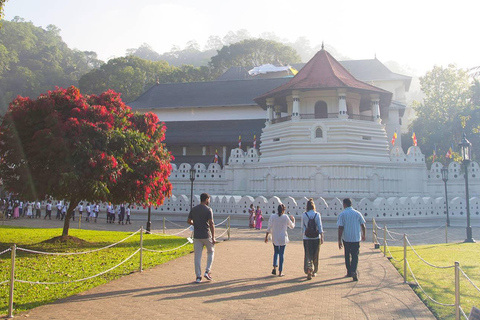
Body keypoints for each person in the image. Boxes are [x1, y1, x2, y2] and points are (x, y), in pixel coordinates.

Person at [187, 193, 215, 283]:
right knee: (211, 252)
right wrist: (213, 237)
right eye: (209, 199)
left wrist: (195, 224)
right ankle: (207, 271)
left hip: (197, 236)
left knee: (197, 257)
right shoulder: (208, 210)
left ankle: (198, 277)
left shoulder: (194, 209)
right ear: (206, 199)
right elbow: (211, 223)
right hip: (206, 235)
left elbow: (188, 221)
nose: (209, 201)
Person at [337, 198, 366, 282]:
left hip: (346, 238)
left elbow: (340, 227)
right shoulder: (357, 213)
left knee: (347, 255)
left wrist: (339, 240)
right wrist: (364, 234)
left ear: (344, 204)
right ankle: (353, 270)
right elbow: (363, 225)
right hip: (356, 238)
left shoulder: (342, 214)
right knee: (355, 255)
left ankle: (349, 271)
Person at [264, 204, 295, 277]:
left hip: (275, 237)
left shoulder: (273, 216)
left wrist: (266, 236)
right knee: (281, 254)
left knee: (276, 252)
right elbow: (292, 226)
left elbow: (269, 227)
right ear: (283, 210)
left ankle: (274, 267)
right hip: (283, 238)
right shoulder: (285, 217)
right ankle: (280, 271)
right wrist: (293, 220)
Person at [302, 198, 324, 280]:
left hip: (307, 238)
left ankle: (308, 269)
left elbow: (302, 228)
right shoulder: (317, 214)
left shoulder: (304, 214)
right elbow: (320, 226)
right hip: (316, 237)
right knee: (315, 254)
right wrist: (322, 237)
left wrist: (304, 235)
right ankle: (314, 271)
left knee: (308, 254)